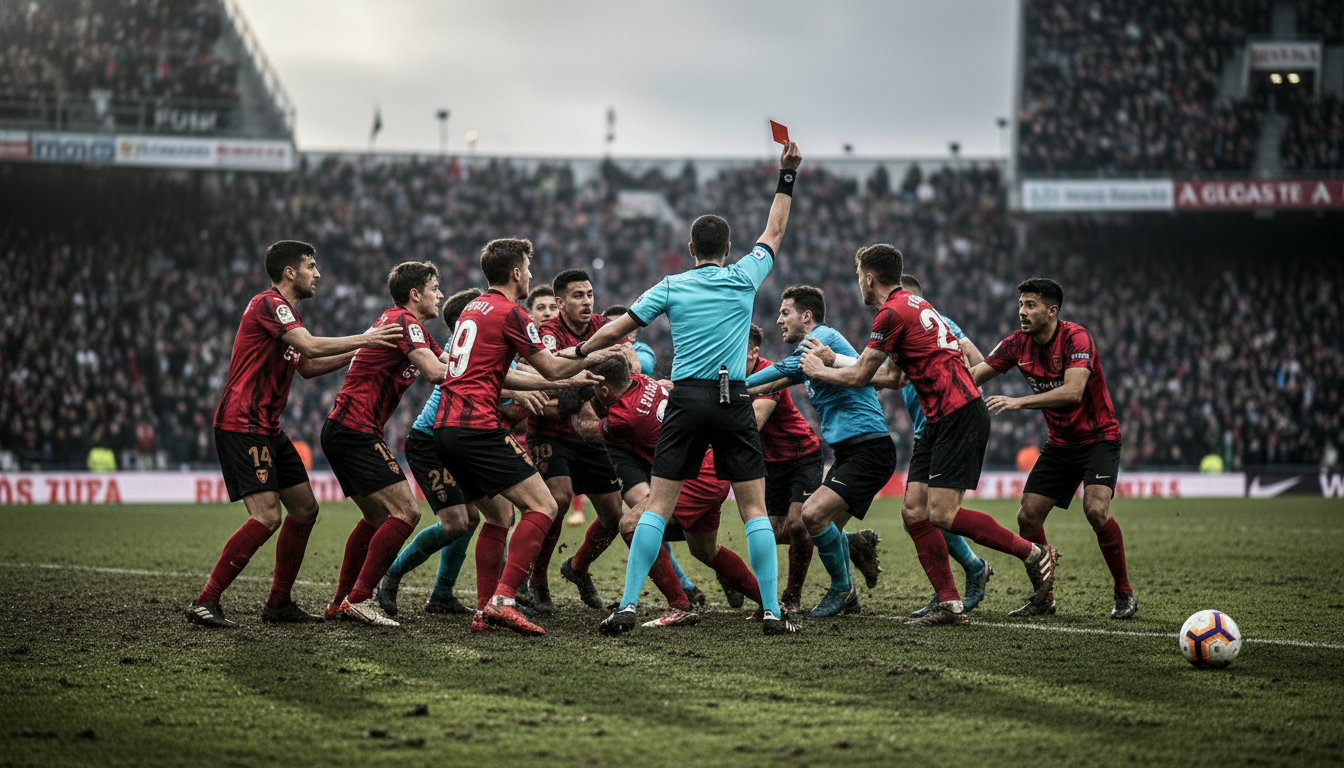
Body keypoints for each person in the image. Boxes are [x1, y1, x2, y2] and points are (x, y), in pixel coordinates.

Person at [564, 139, 804, 636]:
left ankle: (628, 606)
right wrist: (786, 175)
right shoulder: (745, 275)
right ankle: (774, 613)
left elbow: (619, 328)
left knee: (657, 506)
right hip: (733, 396)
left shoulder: (671, 285)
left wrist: (578, 352)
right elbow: (775, 229)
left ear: (691, 249)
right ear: (728, 250)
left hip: (687, 398)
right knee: (755, 509)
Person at [800, 243, 1058, 627]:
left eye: (858, 278)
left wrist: (818, 371)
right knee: (914, 511)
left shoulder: (889, 314)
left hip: (958, 413)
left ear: (870, 278)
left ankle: (1033, 553)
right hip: (938, 419)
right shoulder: (918, 306)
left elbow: (860, 378)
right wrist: (833, 358)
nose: (858, 285)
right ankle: (949, 602)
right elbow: (890, 376)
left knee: (942, 513)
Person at [187, 240, 403, 628]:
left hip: (268, 426)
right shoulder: (269, 303)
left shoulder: (289, 313)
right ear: (290, 272)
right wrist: (366, 338)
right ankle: (206, 600)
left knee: (305, 508)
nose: (317, 273)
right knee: (267, 516)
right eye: (311, 266)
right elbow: (308, 345)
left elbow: (305, 364)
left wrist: (360, 354)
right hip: (242, 423)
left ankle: (279, 603)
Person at [432, 237, 616, 635]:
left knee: (499, 516)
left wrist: (567, 379)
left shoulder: (473, 309)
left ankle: (486, 609)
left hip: (445, 429)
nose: (532, 275)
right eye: (529, 268)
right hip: (477, 425)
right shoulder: (512, 313)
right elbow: (550, 368)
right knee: (545, 506)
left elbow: (495, 373)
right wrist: (589, 357)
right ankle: (505, 598)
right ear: (516, 273)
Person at [819, 274, 992, 618]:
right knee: (922, 514)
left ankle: (976, 569)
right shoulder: (901, 329)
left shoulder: (939, 323)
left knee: (933, 512)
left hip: (949, 421)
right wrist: (836, 360)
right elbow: (887, 377)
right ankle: (955, 585)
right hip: (924, 427)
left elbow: (978, 359)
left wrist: (960, 392)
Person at [970, 277, 1134, 619]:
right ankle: (1043, 597)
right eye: (1021, 305)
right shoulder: (1017, 344)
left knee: (1095, 509)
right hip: (1060, 445)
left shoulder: (1077, 338)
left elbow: (1073, 392)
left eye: (1031, 306)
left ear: (1052, 310)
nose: (1022, 312)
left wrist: (1018, 402)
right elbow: (975, 375)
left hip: (1098, 439)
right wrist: (931, 374)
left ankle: (1123, 593)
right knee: (1027, 516)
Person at [572, 354, 771, 628]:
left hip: (694, 475)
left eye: (597, 389)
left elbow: (585, 428)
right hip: (710, 465)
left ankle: (678, 605)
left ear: (604, 389)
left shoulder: (625, 418)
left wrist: (577, 394)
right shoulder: (644, 382)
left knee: (631, 524)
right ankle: (769, 603)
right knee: (705, 550)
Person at [321, 261, 451, 627]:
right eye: (434, 287)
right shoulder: (404, 322)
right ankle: (360, 598)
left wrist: (521, 376)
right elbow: (437, 372)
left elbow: (446, 361)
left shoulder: (412, 328)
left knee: (376, 517)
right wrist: (486, 367)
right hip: (354, 429)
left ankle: (341, 602)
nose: (439, 294)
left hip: (345, 428)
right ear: (415, 294)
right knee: (407, 512)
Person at [745, 287, 889, 619]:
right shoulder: (810, 351)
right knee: (821, 526)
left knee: (810, 517)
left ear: (806, 316)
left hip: (869, 448)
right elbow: (771, 382)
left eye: (785, 312)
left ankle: (841, 589)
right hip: (852, 451)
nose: (779, 319)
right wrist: (737, 386)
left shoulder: (819, 339)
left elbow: (779, 372)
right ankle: (851, 578)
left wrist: (735, 384)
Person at [523, 269, 634, 613]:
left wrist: (579, 377)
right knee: (556, 499)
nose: (586, 302)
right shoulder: (547, 334)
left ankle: (577, 567)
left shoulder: (606, 325)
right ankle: (537, 580)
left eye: (589, 294)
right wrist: (592, 364)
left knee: (614, 516)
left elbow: (631, 366)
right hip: (550, 433)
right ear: (560, 303)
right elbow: (548, 383)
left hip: (593, 435)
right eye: (577, 296)